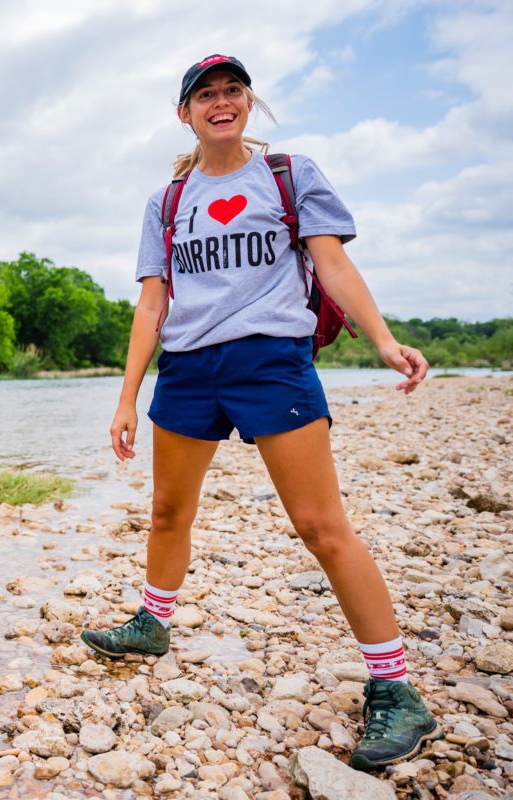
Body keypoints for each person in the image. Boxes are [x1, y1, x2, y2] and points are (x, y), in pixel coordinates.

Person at [80, 54, 441, 771]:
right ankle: (153, 624)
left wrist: (384, 340)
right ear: (184, 113)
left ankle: (397, 689)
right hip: (188, 369)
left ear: (248, 103)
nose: (221, 102)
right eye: (205, 95)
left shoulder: (290, 174)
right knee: (165, 513)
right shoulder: (168, 201)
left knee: (319, 524)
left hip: (272, 361)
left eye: (232, 91)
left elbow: (332, 264)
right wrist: (126, 396)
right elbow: (152, 302)